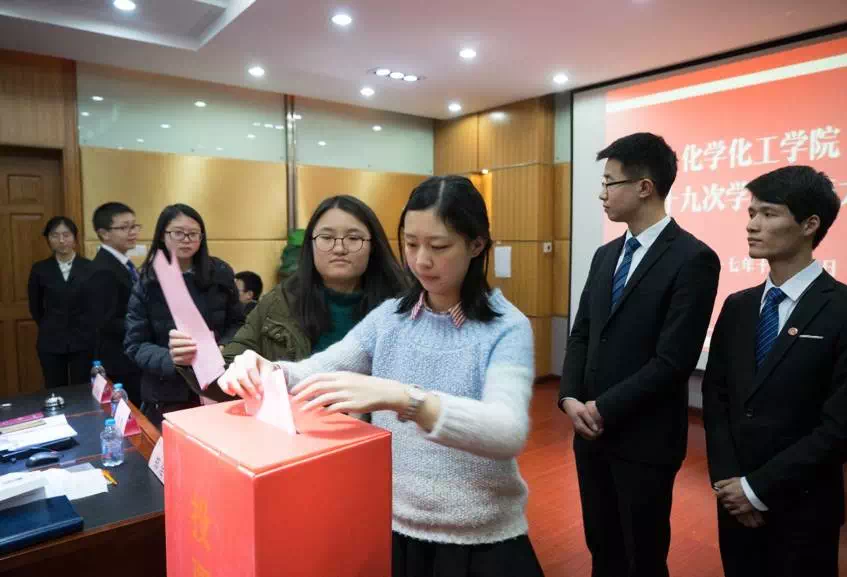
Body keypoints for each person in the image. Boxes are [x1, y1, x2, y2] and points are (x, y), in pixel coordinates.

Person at [218, 176, 546, 577]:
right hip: (396, 528)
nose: (421, 261)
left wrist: (406, 399)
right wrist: (268, 370)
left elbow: (507, 431)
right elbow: (318, 370)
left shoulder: (506, 327)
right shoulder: (390, 318)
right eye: (411, 244)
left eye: (439, 246)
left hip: (480, 538)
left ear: (476, 245)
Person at [558, 132, 720, 577]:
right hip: (590, 435)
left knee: (643, 557)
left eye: (609, 182)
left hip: (644, 439)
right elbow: (582, 333)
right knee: (601, 548)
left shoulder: (693, 258)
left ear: (644, 187)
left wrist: (603, 408)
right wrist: (569, 397)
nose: (602, 194)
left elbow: (674, 361)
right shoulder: (605, 255)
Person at [702, 166, 847, 577]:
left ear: (810, 225)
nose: (752, 225)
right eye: (751, 213)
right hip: (733, 502)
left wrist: (756, 489)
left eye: (768, 213)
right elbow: (716, 398)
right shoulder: (738, 305)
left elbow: (843, 427)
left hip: (804, 509)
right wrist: (730, 484)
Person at [170, 196, 406, 404]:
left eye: (353, 238)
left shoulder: (403, 307)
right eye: (326, 237)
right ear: (310, 245)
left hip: (382, 435)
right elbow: (228, 375)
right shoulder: (279, 302)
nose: (339, 248)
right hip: (296, 433)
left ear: (373, 246)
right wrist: (196, 360)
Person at [124, 204, 245, 427]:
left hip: (219, 383)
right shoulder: (148, 281)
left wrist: (225, 347)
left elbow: (239, 323)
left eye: (193, 234)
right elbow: (135, 345)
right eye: (178, 233)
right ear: (163, 236)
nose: (186, 240)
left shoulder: (220, 273)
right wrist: (171, 358)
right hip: (167, 393)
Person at [27, 216, 96, 388]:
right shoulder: (40, 269)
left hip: (84, 340)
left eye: (66, 235)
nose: (61, 240)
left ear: (75, 238)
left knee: (82, 389)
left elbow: (96, 306)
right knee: (55, 388)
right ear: (48, 239)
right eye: (55, 235)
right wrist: (51, 324)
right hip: (51, 340)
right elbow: (35, 307)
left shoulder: (90, 268)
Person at [88, 202, 144, 406]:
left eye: (134, 226)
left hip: (129, 353)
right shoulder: (103, 269)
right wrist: (145, 326)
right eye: (124, 227)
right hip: (119, 357)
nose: (132, 232)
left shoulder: (123, 264)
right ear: (104, 233)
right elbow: (107, 321)